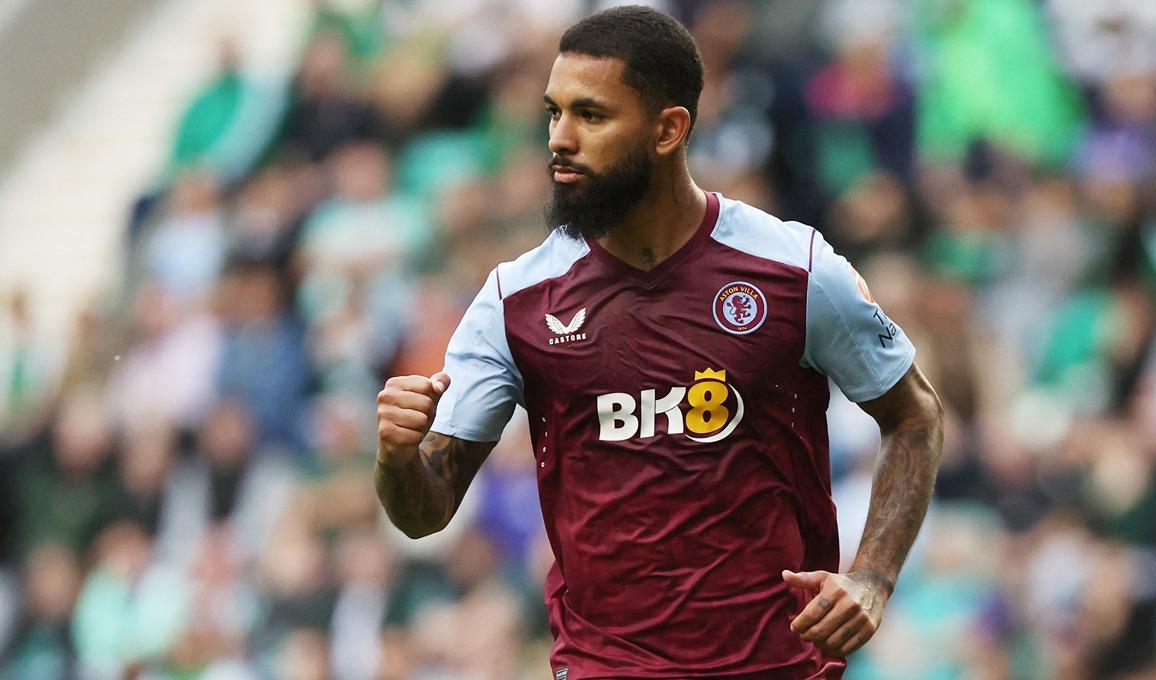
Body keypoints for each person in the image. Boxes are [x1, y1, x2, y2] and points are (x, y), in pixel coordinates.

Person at [374, 6, 943, 678]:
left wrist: (873, 576)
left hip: (778, 666)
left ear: (669, 129)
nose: (559, 138)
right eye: (553, 113)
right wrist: (397, 457)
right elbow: (424, 511)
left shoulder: (795, 270)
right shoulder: (514, 301)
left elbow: (913, 415)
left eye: (591, 115)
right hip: (605, 667)